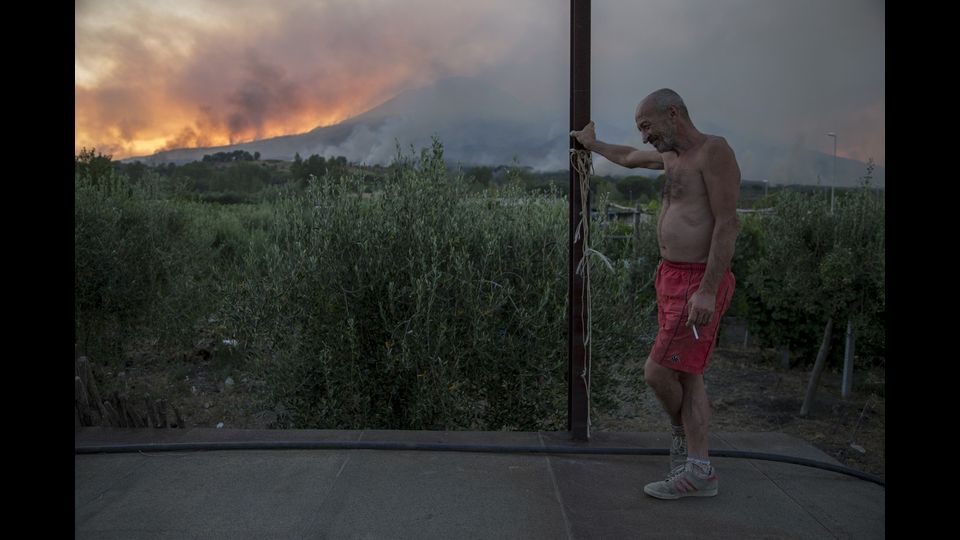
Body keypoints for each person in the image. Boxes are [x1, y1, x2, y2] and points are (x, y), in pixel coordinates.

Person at [570, 88, 740, 500]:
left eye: (647, 126)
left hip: (698, 283)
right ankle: (699, 470)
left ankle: (687, 445)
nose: (645, 136)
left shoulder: (713, 152)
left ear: (673, 113)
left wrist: (707, 290)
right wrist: (592, 145)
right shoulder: (670, 156)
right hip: (671, 277)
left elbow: (727, 224)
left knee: (658, 371)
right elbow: (629, 156)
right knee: (689, 374)